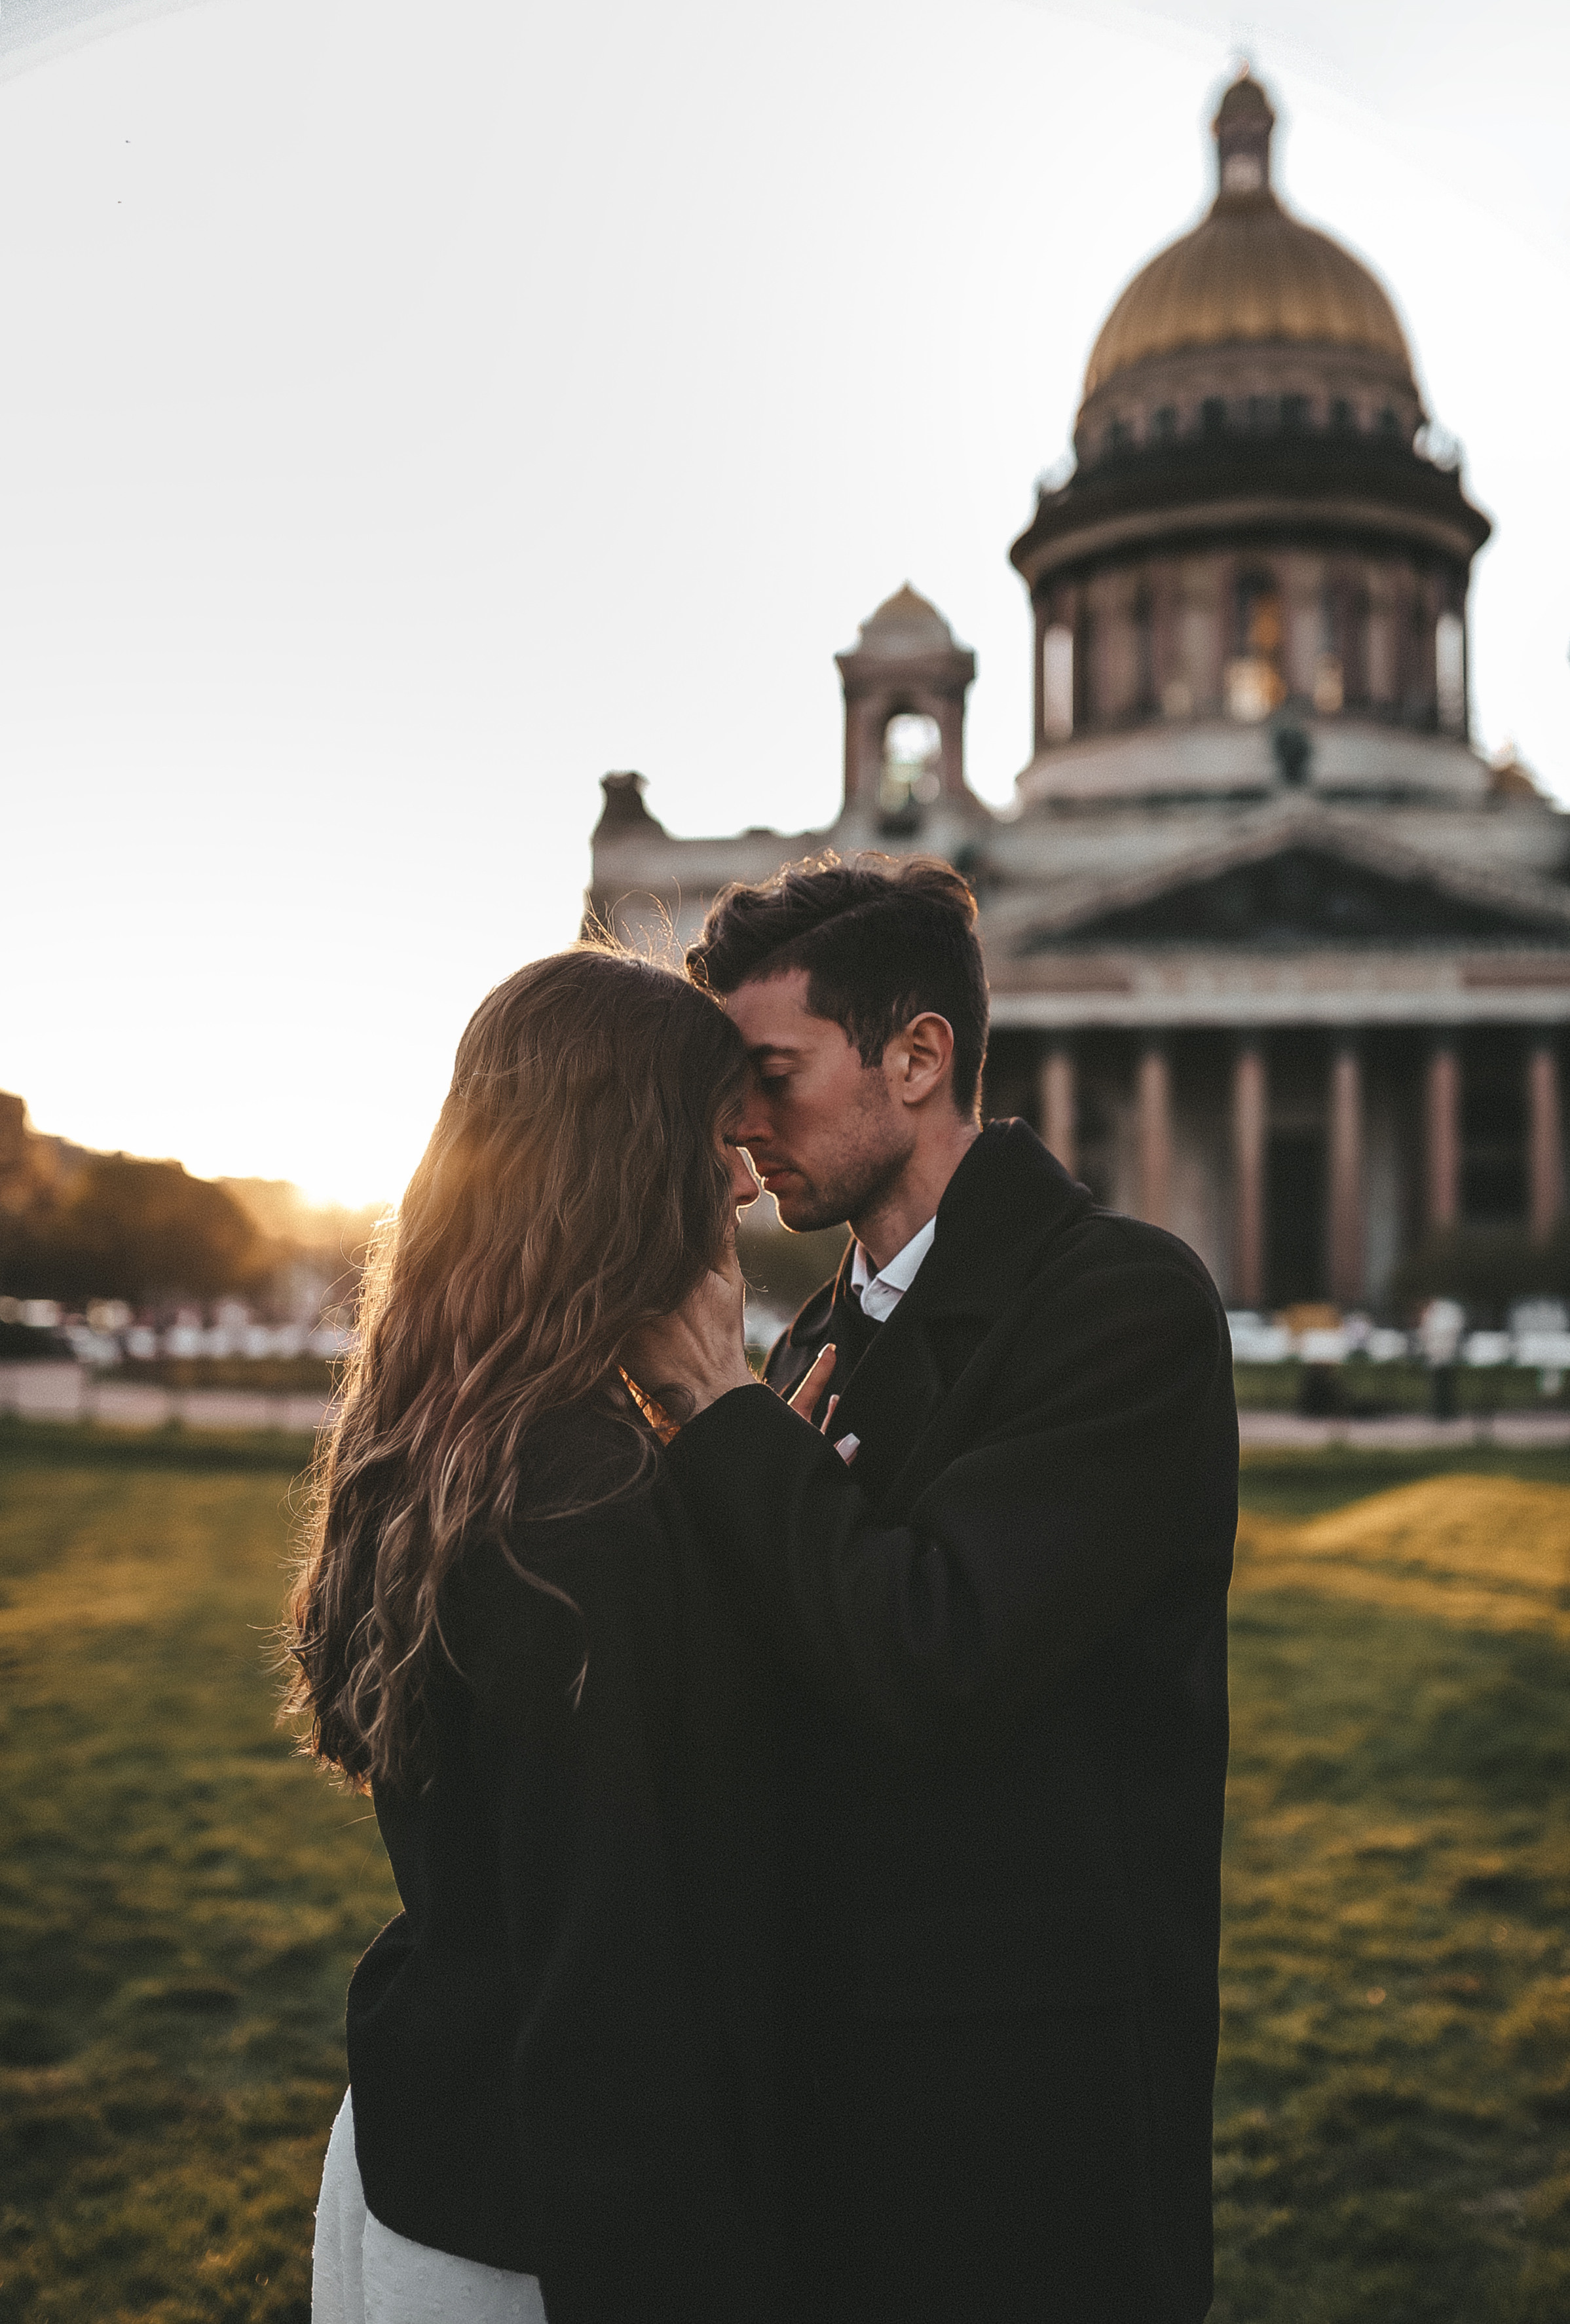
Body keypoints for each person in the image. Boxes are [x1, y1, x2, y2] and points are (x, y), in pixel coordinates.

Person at [633, 854, 1239, 2324]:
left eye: (768, 1072)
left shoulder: (1121, 1301)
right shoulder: (813, 1336)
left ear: (917, 1057)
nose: (734, 1125)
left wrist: (717, 1420)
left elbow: (938, 1648)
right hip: (832, 2086)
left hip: (1018, 2125)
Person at [284, 947, 785, 2324]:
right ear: (626, 1158)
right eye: (718, 1140)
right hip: (538, 2222)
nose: (746, 1180)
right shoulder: (577, 1500)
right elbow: (607, 1963)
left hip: (420, 2141)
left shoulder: (447, 1433)